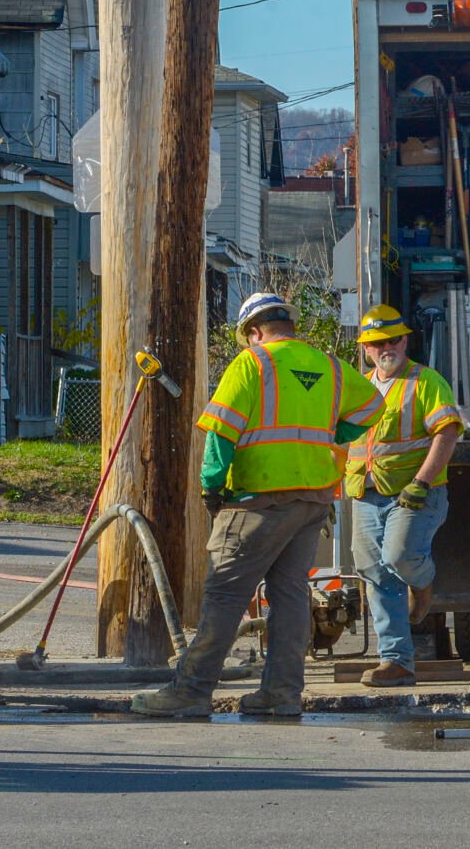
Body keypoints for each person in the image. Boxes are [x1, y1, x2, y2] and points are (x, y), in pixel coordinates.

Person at [132, 293, 384, 718]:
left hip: (257, 502)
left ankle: (191, 691)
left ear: (253, 331)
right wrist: (332, 431)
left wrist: (211, 487)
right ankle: (281, 694)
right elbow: (373, 406)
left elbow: (220, 431)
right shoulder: (329, 366)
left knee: (225, 596)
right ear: (288, 323)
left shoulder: (253, 363)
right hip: (313, 499)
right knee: (289, 597)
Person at [345, 304, 464, 688]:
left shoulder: (426, 381)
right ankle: (396, 662)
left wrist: (422, 482)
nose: (385, 348)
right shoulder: (359, 387)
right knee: (374, 573)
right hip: (366, 493)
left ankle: (422, 581)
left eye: (392, 339)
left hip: (414, 494)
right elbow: (342, 441)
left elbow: (447, 432)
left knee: (398, 556)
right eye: (376, 343)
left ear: (405, 340)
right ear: (365, 348)